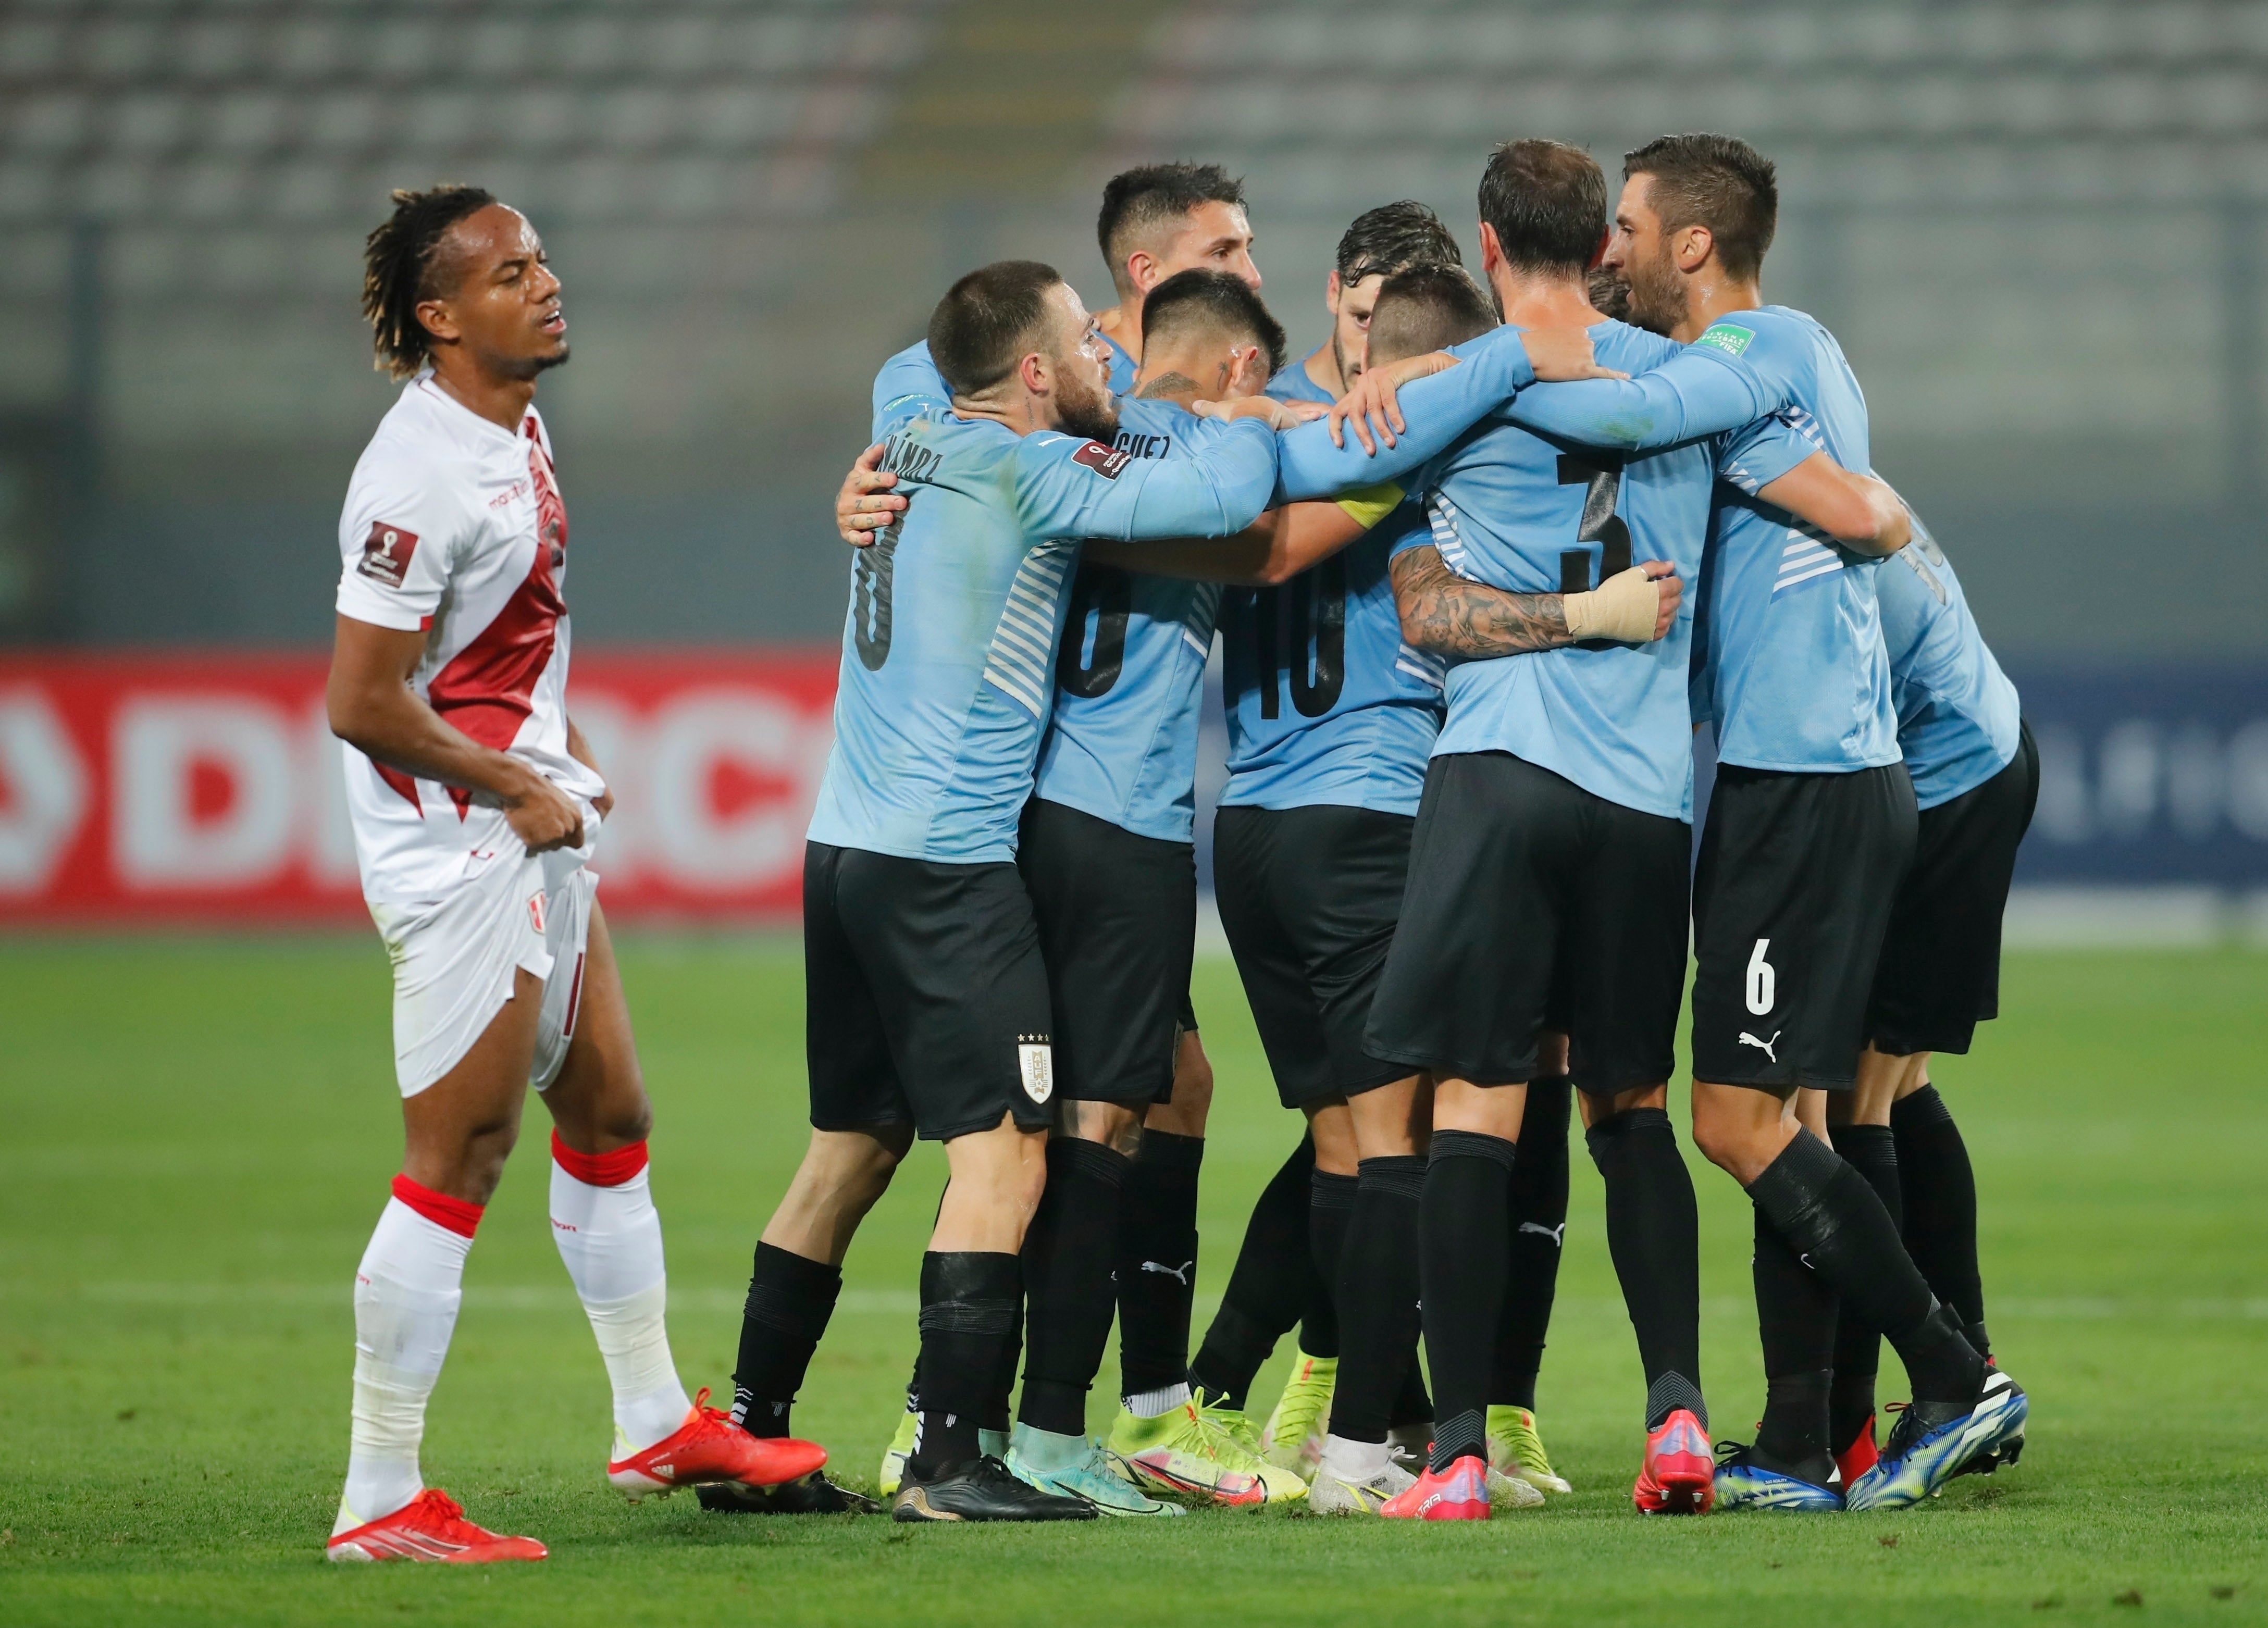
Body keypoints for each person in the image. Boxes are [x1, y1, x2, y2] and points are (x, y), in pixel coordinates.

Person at [1333, 140, 1906, 1520]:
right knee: (1636, 1111)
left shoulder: (1458, 392)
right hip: (1648, 800)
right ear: (1605, 246)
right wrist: (1879, 510)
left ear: (1484, 244)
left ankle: (1458, 1450)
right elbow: (1848, 506)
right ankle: (1680, 1422)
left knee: (1474, 1105)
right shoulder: (1691, 382)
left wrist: (1390, 374)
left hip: (1496, 774)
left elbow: (1389, 571)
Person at [1460, 132, 2029, 1512]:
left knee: (1738, 1115)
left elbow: (1602, 412)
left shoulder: (1729, 366)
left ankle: (1952, 1375)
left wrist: (1455, 360)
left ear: (1693, 248)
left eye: (1634, 231)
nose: (1614, 253)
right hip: (1823, 770)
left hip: (1812, 778)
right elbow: (1824, 488)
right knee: (1810, 1107)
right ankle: (1806, 1435)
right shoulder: (1797, 353)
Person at [726, 259, 1284, 1524]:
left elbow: (916, 364)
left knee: (849, 1149)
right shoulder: (1027, 469)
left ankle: (749, 1431)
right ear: (1031, 374)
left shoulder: (910, 436)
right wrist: (1246, 414)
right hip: (946, 865)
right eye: (1085, 342)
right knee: (1009, 1150)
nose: (1106, 356)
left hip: (841, 849)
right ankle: (950, 1460)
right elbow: (1222, 488)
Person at [321, 187, 821, 1562]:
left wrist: (556, 750)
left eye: (541, 261)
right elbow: (361, 697)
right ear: (440, 316)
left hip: (528, 823)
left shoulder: (516, 426)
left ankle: (654, 1415)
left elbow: (494, 656)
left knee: (610, 1110)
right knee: (460, 1155)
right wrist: (514, 781)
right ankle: (378, 1494)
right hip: (464, 851)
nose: (546, 286)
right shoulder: (418, 470)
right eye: (507, 274)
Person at [1813, 504, 2035, 1489]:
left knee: (1852, 1097)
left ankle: (1902, 1405)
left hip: (1942, 783)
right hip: (1981, 745)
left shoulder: (1764, 481)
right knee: (1897, 1086)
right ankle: (1971, 1363)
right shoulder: (1823, 459)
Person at [1268, 200, 1466, 405]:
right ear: (1334, 293)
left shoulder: (1466, 397)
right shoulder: (1269, 415)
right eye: (1362, 319)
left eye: (1398, 329)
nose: (1368, 354)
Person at [1093, 163, 1263, 390]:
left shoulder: (1241, 377)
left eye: (1247, 252)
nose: (1253, 278)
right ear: (1148, 272)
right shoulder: (1089, 395)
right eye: (1221, 253)